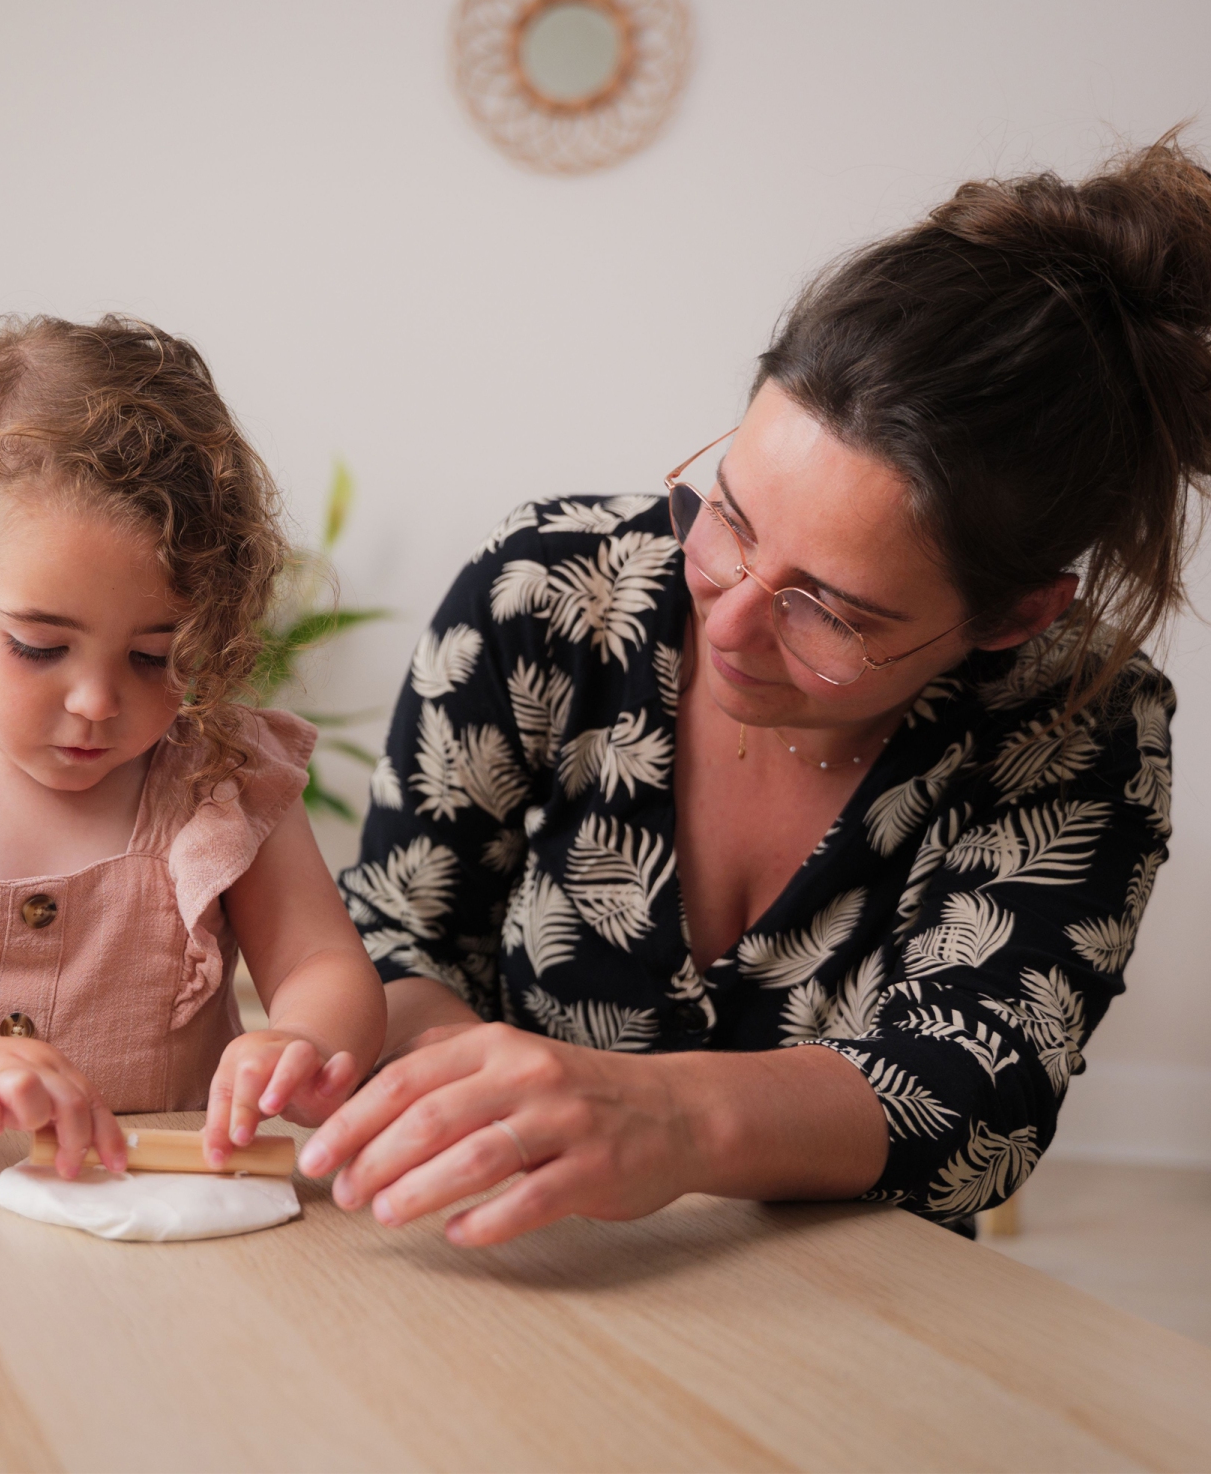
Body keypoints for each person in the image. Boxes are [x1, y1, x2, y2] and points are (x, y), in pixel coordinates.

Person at [300, 136, 1207, 1247]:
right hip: (513, 1250)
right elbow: (397, 936)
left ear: (1013, 618)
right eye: (728, 514)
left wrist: (666, 1120)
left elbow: (980, 1095)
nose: (724, 620)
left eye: (830, 609)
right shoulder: (549, 590)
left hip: (846, 1309)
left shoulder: (1080, 722)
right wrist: (487, 1107)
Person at [0, 316, 385, 1177]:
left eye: (154, 656)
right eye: (41, 647)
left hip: (164, 1210)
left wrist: (307, 1039)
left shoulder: (221, 784)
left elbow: (321, 959)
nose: (96, 701)